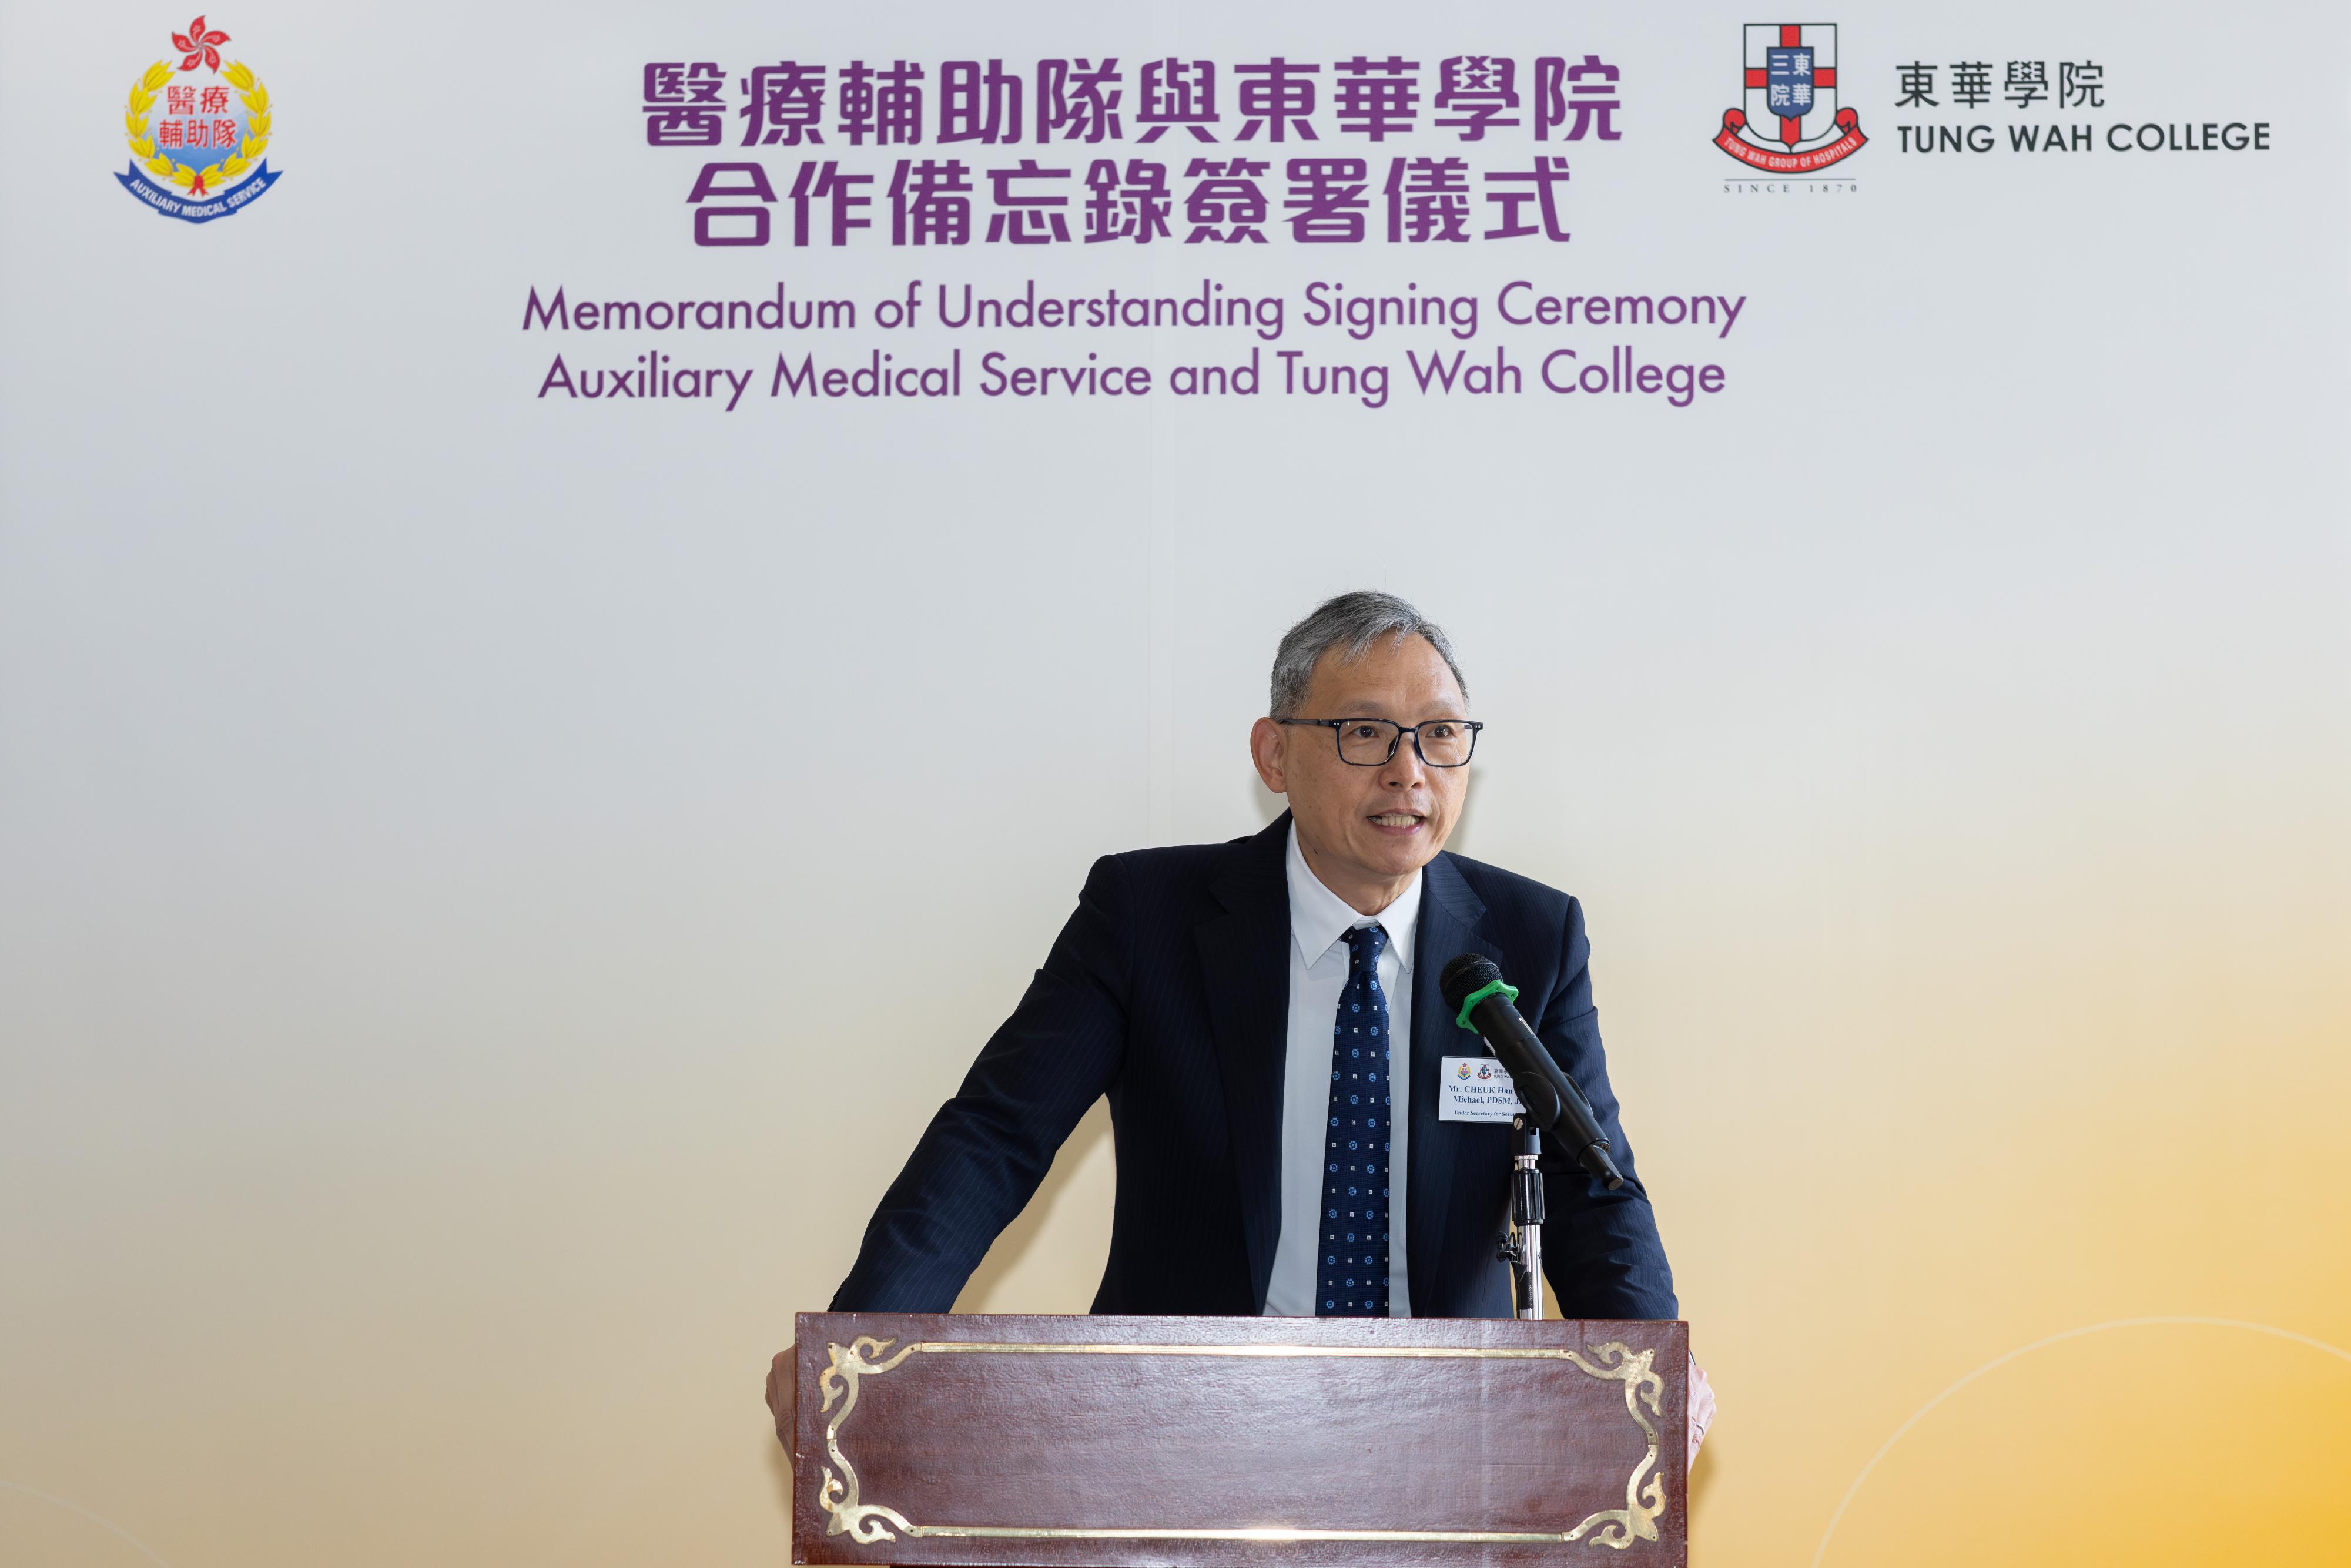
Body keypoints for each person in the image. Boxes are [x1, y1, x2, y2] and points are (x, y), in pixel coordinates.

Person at [766, 591, 1712, 1458]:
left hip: (1448, 1439)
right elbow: (995, 1137)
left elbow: (1596, 1192)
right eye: (1365, 733)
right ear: (1273, 753)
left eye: (1440, 736)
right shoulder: (1148, 914)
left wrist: (1649, 1383)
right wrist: (860, 1350)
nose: (1408, 772)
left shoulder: (1530, 939)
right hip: (1178, 1421)